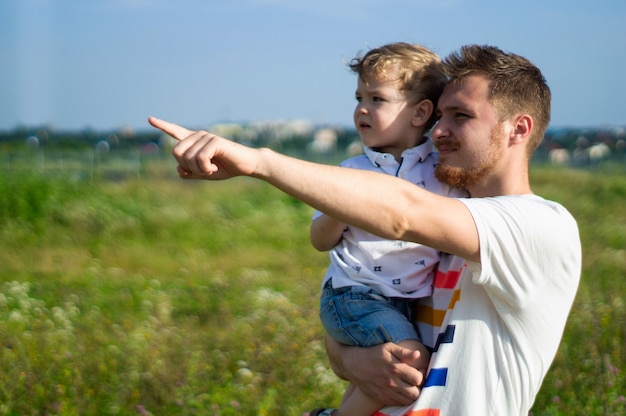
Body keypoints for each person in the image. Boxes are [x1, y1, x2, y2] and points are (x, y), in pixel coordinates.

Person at [148, 44, 582, 415]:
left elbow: (401, 212)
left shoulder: (540, 226)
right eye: (440, 116)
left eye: (460, 116)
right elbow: (348, 324)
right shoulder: (449, 213)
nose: (440, 131)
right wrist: (352, 359)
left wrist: (259, 163)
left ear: (518, 129)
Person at [309, 42, 466, 416]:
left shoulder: (440, 172)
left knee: (380, 375)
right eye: (359, 97)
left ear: (420, 112)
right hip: (354, 295)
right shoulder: (351, 171)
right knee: (409, 368)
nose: (361, 108)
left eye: (377, 99)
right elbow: (319, 241)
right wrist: (341, 206)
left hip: (405, 302)